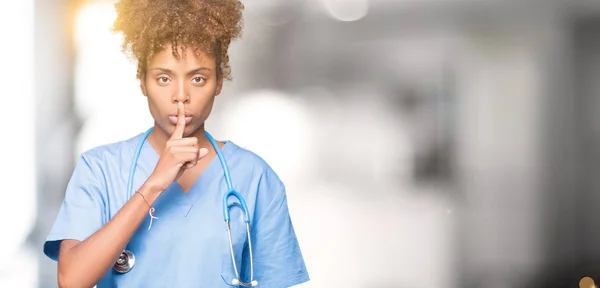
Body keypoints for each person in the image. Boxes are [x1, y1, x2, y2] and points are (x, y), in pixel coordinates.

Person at [42, 0, 310, 287]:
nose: (180, 95)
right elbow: (72, 280)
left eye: (198, 78)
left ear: (219, 81)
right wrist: (154, 184)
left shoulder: (255, 177)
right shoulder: (100, 169)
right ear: (142, 80)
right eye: (163, 78)